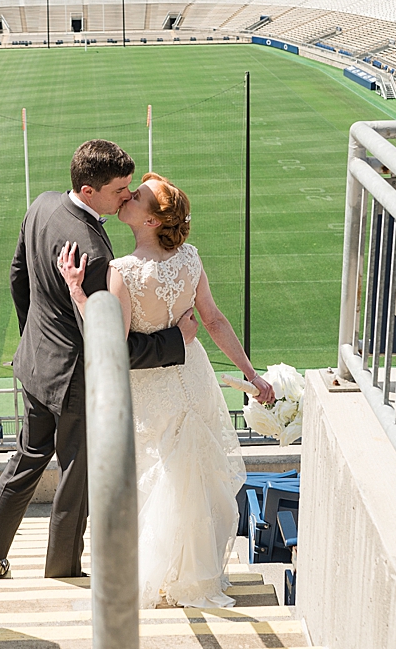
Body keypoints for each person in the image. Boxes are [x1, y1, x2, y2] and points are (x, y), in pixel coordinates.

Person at [0, 141, 197, 581]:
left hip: (37, 365)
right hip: (76, 382)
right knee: (76, 479)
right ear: (89, 191)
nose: (127, 197)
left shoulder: (42, 205)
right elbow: (115, 346)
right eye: (120, 190)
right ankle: (61, 573)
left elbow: (19, 277)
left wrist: (37, 339)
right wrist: (176, 341)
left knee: (27, 459)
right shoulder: (94, 252)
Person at [58, 172, 275, 608]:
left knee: (157, 478)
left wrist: (78, 293)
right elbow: (213, 321)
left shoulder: (122, 273)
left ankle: (161, 576)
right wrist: (252, 375)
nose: (127, 196)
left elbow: (112, 343)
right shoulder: (190, 258)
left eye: (135, 196)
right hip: (192, 378)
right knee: (190, 475)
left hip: (150, 389)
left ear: (153, 220)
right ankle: (193, 574)